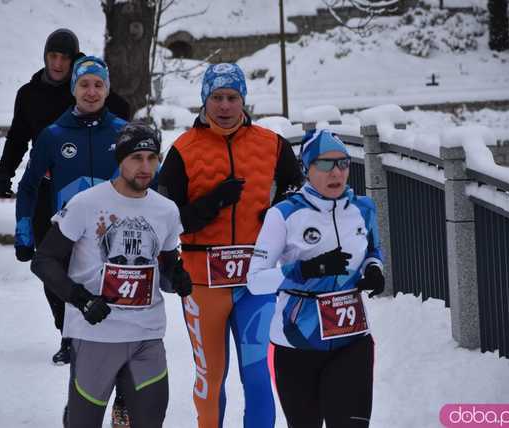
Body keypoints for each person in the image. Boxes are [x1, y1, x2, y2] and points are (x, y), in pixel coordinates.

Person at [157, 62, 303, 428]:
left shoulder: (271, 144)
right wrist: (212, 203)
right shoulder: (184, 149)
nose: (224, 106)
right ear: (205, 100)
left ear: (243, 100)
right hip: (203, 284)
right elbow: (164, 216)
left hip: (256, 282)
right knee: (211, 381)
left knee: (257, 378)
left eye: (232, 98)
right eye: (217, 98)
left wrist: (276, 212)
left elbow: (295, 190)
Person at [30, 123, 192, 428]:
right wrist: (81, 299)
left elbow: (168, 267)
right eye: (136, 158)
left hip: (147, 335)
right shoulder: (86, 203)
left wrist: (176, 278)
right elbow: (44, 260)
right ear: (120, 160)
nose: (145, 167)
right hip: (96, 336)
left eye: (152, 158)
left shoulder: (166, 210)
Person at [0, 28, 131, 365]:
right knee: (52, 263)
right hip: (50, 192)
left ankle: (105, 329)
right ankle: (67, 331)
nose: (57, 63)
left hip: (99, 197)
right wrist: (5, 172)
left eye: (64, 58)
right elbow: (17, 136)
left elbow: (119, 114)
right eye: (52, 56)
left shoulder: (91, 87)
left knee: (97, 262)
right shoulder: (29, 95)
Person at [13, 54, 133, 427]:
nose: (92, 91)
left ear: (107, 88)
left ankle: (124, 402)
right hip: (75, 247)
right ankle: (80, 409)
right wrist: (24, 229)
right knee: (84, 326)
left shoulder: (124, 132)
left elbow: (149, 186)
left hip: (121, 246)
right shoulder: (53, 135)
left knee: (128, 325)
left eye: (98, 84)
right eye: (84, 84)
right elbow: (29, 185)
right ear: (73, 89)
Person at [247, 129, 385, 428]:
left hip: (351, 340)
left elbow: (373, 249)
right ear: (307, 169)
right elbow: (255, 281)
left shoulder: (363, 209)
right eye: (324, 164)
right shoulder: (284, 214)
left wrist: (374, 269)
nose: (336, 172)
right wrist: (305, 270)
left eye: (343, 163)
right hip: (296, 343)